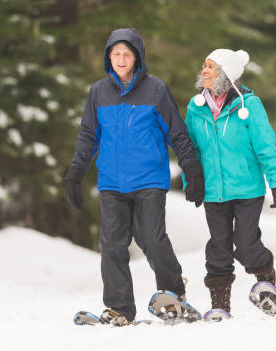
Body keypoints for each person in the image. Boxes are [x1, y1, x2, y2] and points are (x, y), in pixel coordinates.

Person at [64, 28, 205, 326]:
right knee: (112, 245)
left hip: (149, 179)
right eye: (116, 54)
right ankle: (119, 308)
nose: (121, 59)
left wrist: (191, 168)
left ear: (137, 57)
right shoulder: (98, 93)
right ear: (108, 57)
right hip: (112, 183)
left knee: (152, 240)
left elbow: (177, 133)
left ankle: (173, 294)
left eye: (127, 54)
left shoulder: (156, 90)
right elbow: (89, 136)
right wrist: (76, 172)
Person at [184, 48, 276, 320]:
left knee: (246, 244)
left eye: (210, 67)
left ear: (225, 74)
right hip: (213, 192)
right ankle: (220, 306)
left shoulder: (248, 105)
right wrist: (191, 181)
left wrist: (274, 182)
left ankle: (266, 277)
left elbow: (265, 144)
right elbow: (190, 149)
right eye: (204, 65)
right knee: (219, 246)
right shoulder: (196, 107)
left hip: (247, 189)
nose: (203, 71)